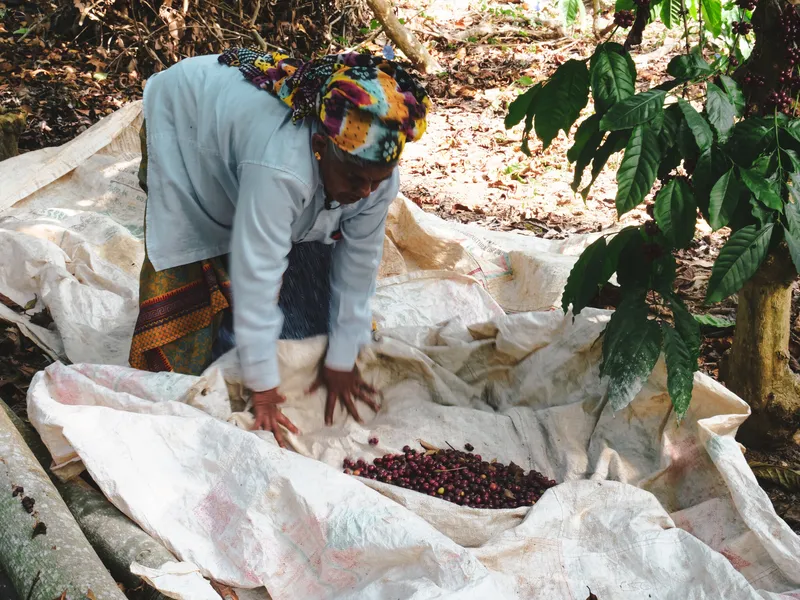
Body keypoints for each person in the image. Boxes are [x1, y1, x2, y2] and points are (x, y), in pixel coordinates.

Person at [128, 48, 430, 446]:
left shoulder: (374, 180)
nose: (365, 192)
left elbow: (359, 264)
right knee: (201, 249)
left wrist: (343, 360)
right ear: (321, 145)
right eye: (355, 178)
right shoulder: (281, 167)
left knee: (302, 294)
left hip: (259, 158)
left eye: (378, 180)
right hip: (187, 117)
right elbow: (259, 274)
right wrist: (264, 386)